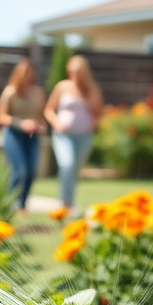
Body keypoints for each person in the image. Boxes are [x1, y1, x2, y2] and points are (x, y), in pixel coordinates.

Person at [44, 55, 102, 211]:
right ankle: (64, 202)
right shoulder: (62, 87)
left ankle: (70, 203)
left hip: (84, 136)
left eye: (79, 72)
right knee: (67, 164)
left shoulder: (92, 89)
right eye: (72, 71)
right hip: (64, 135)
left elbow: (98, 113)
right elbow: (49, 109)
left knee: (75, 170)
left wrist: (91, 124)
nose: (75, 75)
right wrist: (56, 123)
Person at [0, 59, 47, 212]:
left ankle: (22, 206)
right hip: (13, 134)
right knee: (19, 170)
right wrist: (20, 123)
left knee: (31, 171)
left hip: (32, 136)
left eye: (31, 72)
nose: (28, 76)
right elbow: (1, 117)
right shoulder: (10, 92)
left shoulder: (38, 92)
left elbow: (40, 116)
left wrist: (41, 126)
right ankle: (11, 204)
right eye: (25, 72)